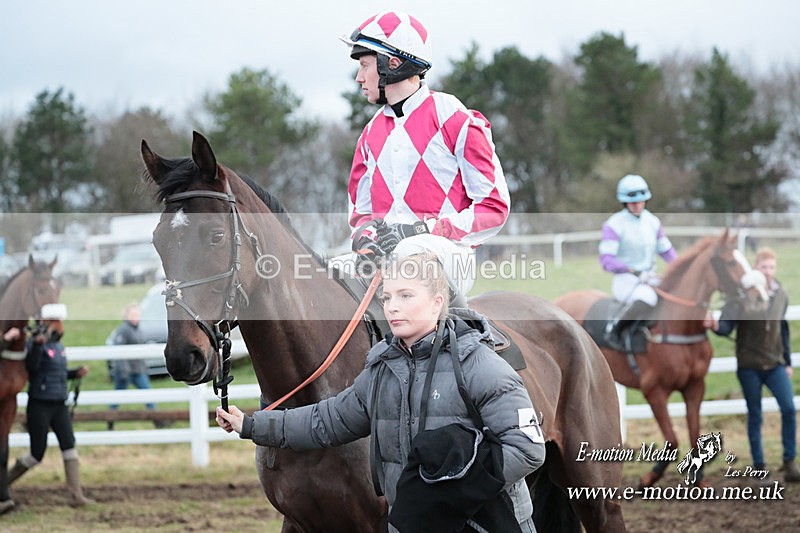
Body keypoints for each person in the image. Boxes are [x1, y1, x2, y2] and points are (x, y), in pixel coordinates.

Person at [217, 253, 545, 532]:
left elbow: (528, 449)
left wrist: (450, 490)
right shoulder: (380, 369)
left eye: (406, 296)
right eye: (387, 298)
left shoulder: (482, 366)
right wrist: (252, 425)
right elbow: (326, 421)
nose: (393, 307)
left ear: (437, 303)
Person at [337, 10, 510, 298]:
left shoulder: (454, 117)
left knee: (408, 251)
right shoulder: (368, 135)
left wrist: (422, 230)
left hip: (450, 254)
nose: (359, 77)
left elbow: (494, 208)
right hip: (388, 258)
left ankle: (462, 326)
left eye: (365, 65)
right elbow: (360, 215)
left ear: (392, 63)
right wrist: (366, 239)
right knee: (325, 272)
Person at [704, 247, 800, 484]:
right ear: (755, 267)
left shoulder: (780, 294)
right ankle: (759, 467)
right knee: (755, 415)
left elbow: (782, 329)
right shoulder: (740, 298)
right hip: (749, 366)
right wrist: (715, 326)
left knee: (789, 409)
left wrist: (787, 361)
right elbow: (726, 327)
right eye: (763, 267)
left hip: (775, 364)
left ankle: (790, 462)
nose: (767, 271)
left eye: (771, 267)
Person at [8, 303, 94, 506]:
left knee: (69, 445)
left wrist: (75, 373)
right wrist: (38, 346)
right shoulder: (34, 343)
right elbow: (32, 368)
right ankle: (4, 484)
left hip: (59, 404)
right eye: (57, 322)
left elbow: (57, 373)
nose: (60, 326)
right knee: (36, 453)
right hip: (40, 404)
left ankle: (76, 495)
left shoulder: (58, 346)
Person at [598, 174, 677, 349]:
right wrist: (633, 270)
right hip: (626, 279)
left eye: (641, 201)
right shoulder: (614, 224)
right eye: (633, 202)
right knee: (648, 298)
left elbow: (666, 251)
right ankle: (614, 331)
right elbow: (606, 260)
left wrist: (680, 268)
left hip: (649, 277)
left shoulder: (653, 221)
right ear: (625, 202)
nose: (638, 205)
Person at [107, 302, 164, 430]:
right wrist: (123, 371)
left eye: (137, 314)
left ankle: (157, 420)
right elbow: (118, 350)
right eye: (132, 315)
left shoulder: (138, 329)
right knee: (117, 397)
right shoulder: (123, 330)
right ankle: (110, 420)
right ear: (127, 315)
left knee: (148, 395)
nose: (135, 317)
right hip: (125, 372)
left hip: (138, 370)